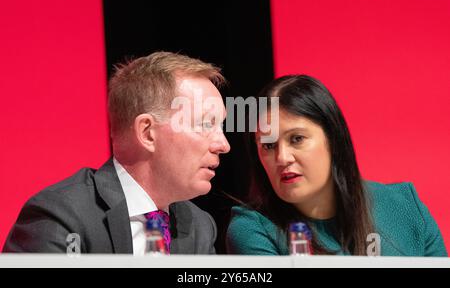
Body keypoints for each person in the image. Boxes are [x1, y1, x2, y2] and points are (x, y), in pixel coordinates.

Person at [4, 51, 230, 254]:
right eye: (205, 125)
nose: (224, 145)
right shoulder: (62, 217)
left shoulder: (199, 226)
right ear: (147, 132)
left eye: (220, 126)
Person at [226, 74, 447, 256]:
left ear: (333, 139)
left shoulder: (404, 205)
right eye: (268, 146)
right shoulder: (253, 229)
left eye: (296, 139)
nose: (282, 157)